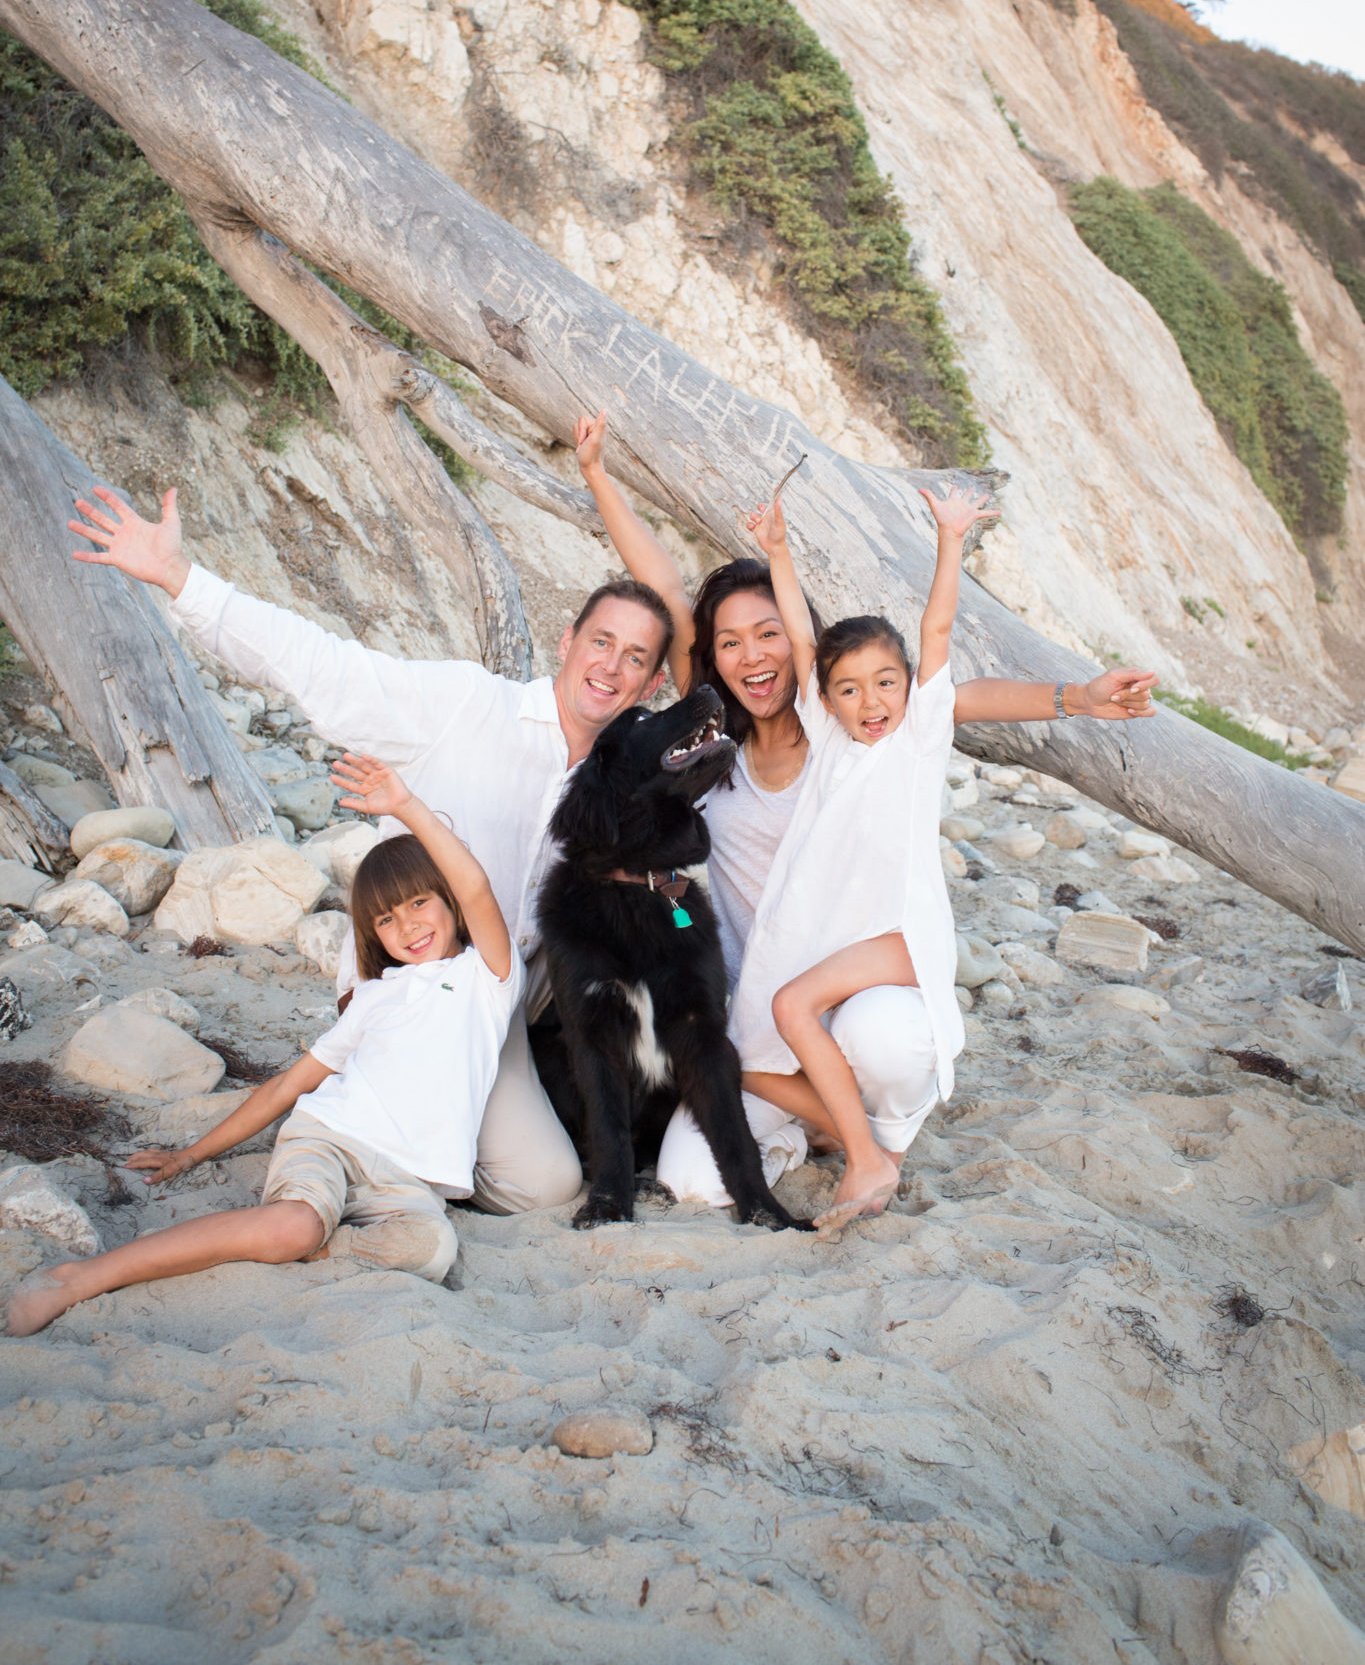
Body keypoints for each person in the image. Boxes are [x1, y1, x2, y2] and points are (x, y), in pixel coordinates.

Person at [572, 411, 1157, 1206]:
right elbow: (670, 596)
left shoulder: (848, 726)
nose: (752, 656)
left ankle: (869, 1129)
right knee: (690, 1181)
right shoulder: (713, 754)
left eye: (768, 633)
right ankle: (827, 1131)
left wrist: (1077, 697)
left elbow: (957, 697)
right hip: (763, 1003)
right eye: (731, 642)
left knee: (881, 1039)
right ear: (710, 657)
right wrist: (599, 475)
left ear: (799, 638)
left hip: (856, 989)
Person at [68, 484, 676, 1216]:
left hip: (494, 1010)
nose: (610, 667)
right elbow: (322, 666)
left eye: (635, 658)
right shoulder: (464, 706)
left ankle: (422, 1140)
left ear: (654, 681)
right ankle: (359, 1121)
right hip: (402, 988)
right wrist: (181, 579)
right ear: (567, 642)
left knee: (541, 1187)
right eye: (601, 642)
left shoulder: (624, 786)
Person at [8, 755, 518, 1336]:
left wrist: (405, 807)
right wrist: (191, 1154)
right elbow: (288, 1086)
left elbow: (474, 883)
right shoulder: (376, 997)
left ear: (448, 902)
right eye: (385, 919)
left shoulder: (487, 977)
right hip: (332, 1139)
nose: (407, 927)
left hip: (408, 1183)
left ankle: (327, 1244)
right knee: (294, 1228)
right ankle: (86, 1275)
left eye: (419, 904)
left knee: (431, 1249)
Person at [731, 482, 993, 1229]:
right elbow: (802, 640)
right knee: (746, 1058)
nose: (869, 701)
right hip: (840, 935)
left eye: (884, 683)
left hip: (902, 935)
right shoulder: (832, 739)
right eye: (848, 689)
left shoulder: (917, 736)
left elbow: (935, 628)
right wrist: (776, 549)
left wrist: (950, 540)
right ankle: (868, 1141)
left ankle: (866, 1157)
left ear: (908, 686)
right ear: (827, 698)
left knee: (790, 1006)